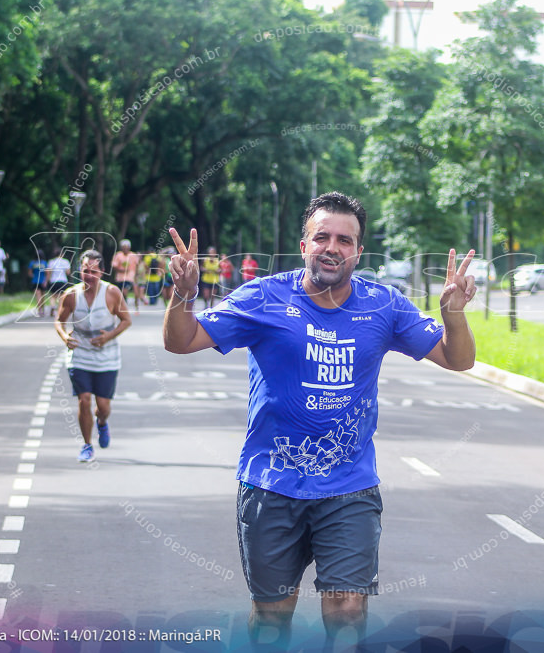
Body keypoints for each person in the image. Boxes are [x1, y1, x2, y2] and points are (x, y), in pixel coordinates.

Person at [163, 192, 476, 647]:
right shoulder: (263, 297)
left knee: (348, 610)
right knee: (271, 618)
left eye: (345, 240)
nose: (333, 247)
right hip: (271, 483)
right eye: (322, 236)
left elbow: (457, 359)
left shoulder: (384, 305)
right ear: (305, 244)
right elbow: (181, 340)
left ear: (358, 252)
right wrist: (183, 294)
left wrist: (454, 316)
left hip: (349, 486)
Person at [55, 250, 131, 462]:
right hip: (80, 353)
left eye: (93, 271)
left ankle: (102, 423)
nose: (89, 275)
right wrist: (64, 336)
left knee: (103, 407)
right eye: (85, 270)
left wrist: (108, 337)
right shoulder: (71, 295)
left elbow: (126, 320)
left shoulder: (112, 293)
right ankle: (87, 445)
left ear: (103, 272)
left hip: (107, 355)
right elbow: (58, 320)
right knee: (84, 399)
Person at [111, 239, 140, 311]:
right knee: (122, 293)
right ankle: (123, 305)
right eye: (124, 247)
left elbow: (137, 265)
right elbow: (114, 266)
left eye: (127, 247)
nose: (125, 249)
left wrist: (137, 275)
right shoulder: (118, 255)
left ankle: (135, 305)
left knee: (126, 291)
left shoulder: (133, 255)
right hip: (120, 278)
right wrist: (120, 270)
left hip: (130, 278)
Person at [45, 248, 71, 316]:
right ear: (62, 254)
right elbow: (68, 272)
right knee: (62, 297)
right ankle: (59, 310)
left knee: (53, 296)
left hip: (54, 280)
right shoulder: (65, 261)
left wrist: (47, 281)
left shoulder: (51, 262)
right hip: (63, 280)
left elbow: (49, 273)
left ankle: (53, 306)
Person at [28, 252, 48, 316]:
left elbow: (30, 273)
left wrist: (34, 276)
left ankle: (40, 310)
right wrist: (46, 281)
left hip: (35, 281)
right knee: (43, 296)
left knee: (38, 296)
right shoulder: (44, 263)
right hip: (42, 281)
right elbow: (47, 273)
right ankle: (43, 310)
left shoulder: (32, 263)